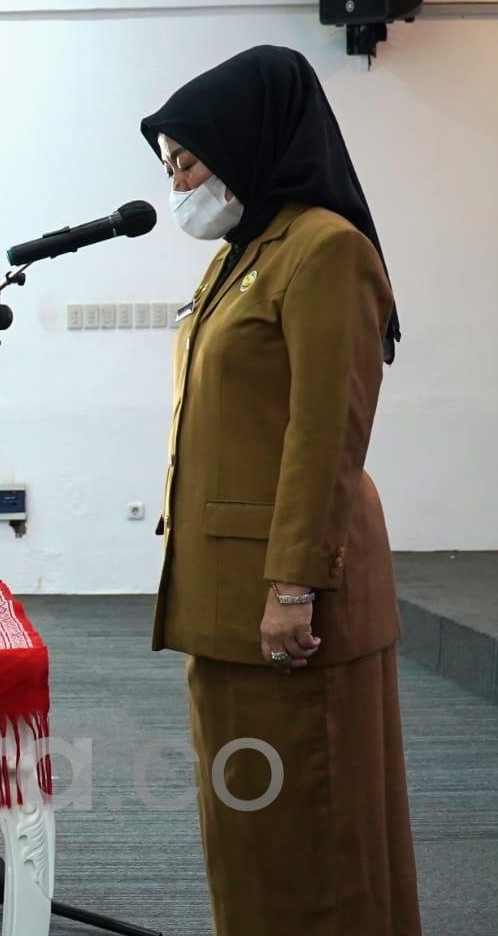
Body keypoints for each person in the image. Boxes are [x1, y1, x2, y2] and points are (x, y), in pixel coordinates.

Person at [142, 45, 419, 935]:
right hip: (225, 601)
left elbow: (326, 432)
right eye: (169, 165)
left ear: (247, 138)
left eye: (187, 158)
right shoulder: (238, 255)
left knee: (317, 835)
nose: (179, 180)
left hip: (292, 600)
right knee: (251, 832)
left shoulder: (323, 248)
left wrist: (294, 582)